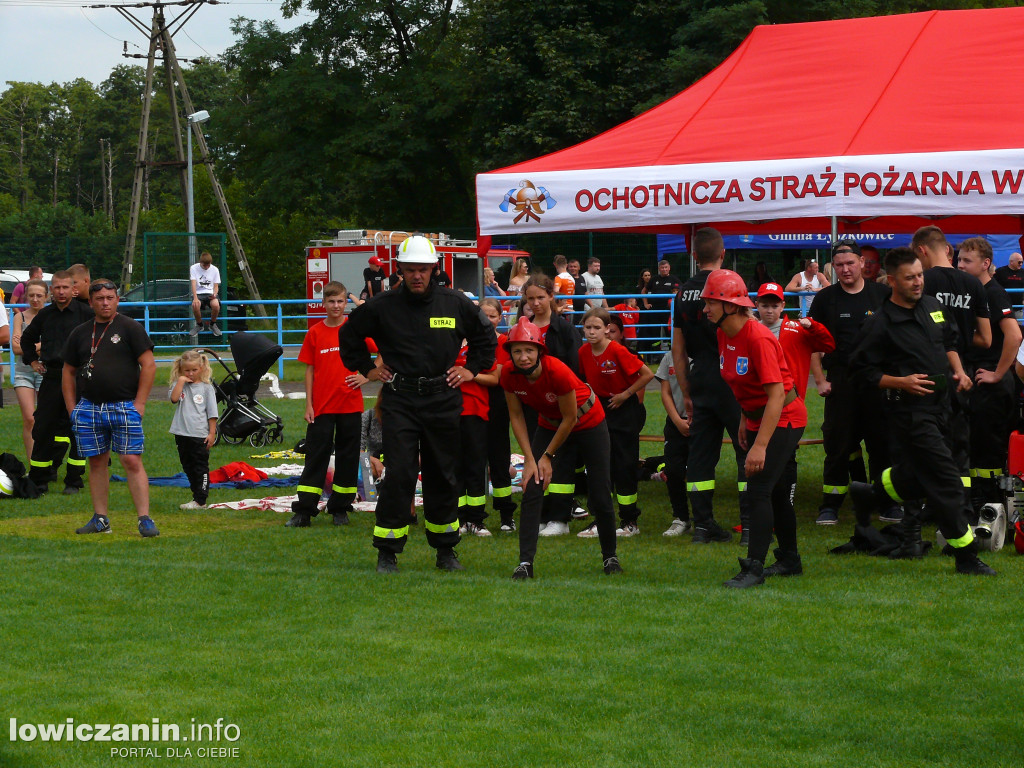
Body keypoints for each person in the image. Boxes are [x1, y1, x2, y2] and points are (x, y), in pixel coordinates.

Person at [340, 235, 496, 573]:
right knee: (401, 474)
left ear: (434, 269)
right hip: (400, 400)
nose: (417, 276)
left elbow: (486, 338)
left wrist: (470, 369)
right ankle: (388, 551)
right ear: (399, 270)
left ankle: (445, 550)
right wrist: (369, 369)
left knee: (442, 473)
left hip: (443, 398)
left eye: (423, 270)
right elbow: (349, 337)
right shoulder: (381, 307)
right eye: (410, 270)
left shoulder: (455, 303)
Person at [848, 247, 995, 576]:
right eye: (909, 278)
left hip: (944, 406)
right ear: (892, 281)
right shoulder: (880, 323)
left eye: (920, 275)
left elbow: (949, 341)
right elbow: (858, 372)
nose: (917, 282)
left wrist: (958, 371)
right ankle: (966, 557)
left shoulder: (932, 306)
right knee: (948, 481)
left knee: (922, 475)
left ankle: (871, 495)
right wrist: (899, 381)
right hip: (909, 414)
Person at [700, 269, 807, 588]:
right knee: (775, 495)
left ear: (731, 306)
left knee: (758, 489)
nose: (705, 308)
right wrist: (746, 419)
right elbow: (742, 385)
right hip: (761, 416)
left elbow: (776, 394)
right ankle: (789, 560)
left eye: (711, 302)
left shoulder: (758, 337)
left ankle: (754, 568)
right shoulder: (723, 333)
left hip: (785, 417)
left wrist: (760, 445)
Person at [501, 317, 621, 579]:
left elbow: (570, 419)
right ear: (510, 352)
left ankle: (610, 557)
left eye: (529, 350)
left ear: (539, 351)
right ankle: (525, 563)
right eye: (517, 350)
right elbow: (517, 416)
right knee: (532, 486)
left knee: (599, 491)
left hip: (587, 420)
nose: (523, 357)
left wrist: (546, 456)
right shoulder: (507, 373)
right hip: (550, 423)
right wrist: (531, 459)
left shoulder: (556, 370)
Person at [807, 239, 893, 525]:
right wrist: (819, 380)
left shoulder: (883, 294)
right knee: (838, 445)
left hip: (877, 381)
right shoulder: (825, 299)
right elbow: (812, 344)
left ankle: (886, 502)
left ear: (862, 264)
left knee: (881, 445)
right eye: (839, 265)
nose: (845, 270)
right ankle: (831, 504)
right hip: (841, 380)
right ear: (833, 267)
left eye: (850, 264)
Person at [672, 227, 750, 543]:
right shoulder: (731, 286)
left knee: (701, 455)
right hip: (732, 374)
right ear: (723, 254)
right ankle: (749, 525)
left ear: (693, 255)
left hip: (700, 377)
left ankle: (702, 526)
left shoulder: (680, 294)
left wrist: (687, 392)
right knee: (746, 448)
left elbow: (677, 350)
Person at [64, 279, 159, 537]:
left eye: (110, 297)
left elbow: (149, 366)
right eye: (99, 299)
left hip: (124, 405)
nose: (105, 302)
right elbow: (68, 370)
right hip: (89, 408)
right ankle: (100, 519)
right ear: (91, 302)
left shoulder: (130, 328)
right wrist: (73, 408)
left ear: (117, 299)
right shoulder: (80, 332)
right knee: (96, 462)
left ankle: (144, 519)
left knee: (131, 460)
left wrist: (139, 404)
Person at [753, 281, 834, 573]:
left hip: (788, 412)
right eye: (765, 304)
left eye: (775, 305)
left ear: (783, 306)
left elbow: (828, 345)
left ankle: (775, 554)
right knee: (768, 479)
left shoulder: (795, 330)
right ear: (757, 306)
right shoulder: (753, 331)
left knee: (773, 481)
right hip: (759, 412)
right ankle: (783, 553)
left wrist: (813, 325)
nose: (770, 309)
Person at [288, 281, 366, 528]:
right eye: (331, 301)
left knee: (348, 456)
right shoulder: (315, 332)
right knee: (315, 456)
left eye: (340, 301)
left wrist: (366, 376)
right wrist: (308, 404)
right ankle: (304, 510)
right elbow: (309, 371)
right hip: (321, 406)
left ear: (346, 303)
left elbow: (384, 351)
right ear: (323, 304)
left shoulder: (355, 329)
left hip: (350, 405)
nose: (336, 306)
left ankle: (340, 507)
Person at [956, 238, 1021, 511]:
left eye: (966, 261)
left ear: (985, 264)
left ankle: (990, 503)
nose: (960, 265)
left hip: (991, 380)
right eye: (958, 260)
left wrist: (998, 373)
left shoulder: (992, 293)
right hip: (977, 377)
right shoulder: (970, 291)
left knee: (987, 448)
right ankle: (974, 500)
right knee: (972, 444)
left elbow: (1014, 335)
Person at [577, 307, 653, 538]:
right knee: (601, 467)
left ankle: (630, 521)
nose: (591, 332)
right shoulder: (582, 352)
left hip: (623, 410)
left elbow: (647, 374)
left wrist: (625, 395)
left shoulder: (618, 351)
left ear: (607, 329)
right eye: (587, 327)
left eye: (596, 328)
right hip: (600, 410)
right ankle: (601, 519)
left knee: (624, 466)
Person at [20, 269, 91, 495]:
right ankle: (40, 478)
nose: (61, 292)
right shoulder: (45, 315)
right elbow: (27, 339)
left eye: (65, 287)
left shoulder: (86, 313)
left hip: (79, 379)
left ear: (74, 289)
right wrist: (32, 361)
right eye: (57, 287)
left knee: (78, 428)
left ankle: (74, 480)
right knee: (42, 428)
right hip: (51, 378)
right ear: (51, 290)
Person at [478, 298, 517, 531]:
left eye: (492, 316)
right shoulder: (468, 342)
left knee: (499, 461)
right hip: (471, 406)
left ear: (500, 318)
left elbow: (497, 377)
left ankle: (505, 515)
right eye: (483, 315)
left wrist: (468, 374)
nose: (487, 320)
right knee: (472, 462)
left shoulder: (503, 343)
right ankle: (472, 517)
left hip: (497, 406)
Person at [168, 349, 218, 510]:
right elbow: (174, 399)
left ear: (201, 369)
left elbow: (212, 413)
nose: (190, 373)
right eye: (186, 370)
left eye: (194, 370)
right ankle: (195, 496)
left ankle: (201, 500)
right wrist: (181, 381)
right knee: (188, 466)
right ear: (181, 370)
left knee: (200, 467)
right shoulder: (179, 385)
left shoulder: (206, 388)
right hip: (182, 433)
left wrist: (212, 433)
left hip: (200, 435)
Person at [654, 351, 691, 536]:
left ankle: (703, 519)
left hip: (703, 423)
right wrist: (677, 421)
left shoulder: (708, 354)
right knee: (674, 470)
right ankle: (680, 518)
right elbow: (666, 393)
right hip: (676, 422)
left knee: (700, 473)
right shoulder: (669, 357)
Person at [11, 279, 46, 460]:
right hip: (23, 371)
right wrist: (41, 345)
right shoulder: (20, 317)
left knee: (45, 420)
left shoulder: (50, 316)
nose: (34, 299)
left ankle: (46, 461)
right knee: (30, 419)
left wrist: (29, 345)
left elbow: (57, 345)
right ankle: (33, 463)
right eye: (31, 295)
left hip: (44, 371)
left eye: (39, 295)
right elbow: (16, 349)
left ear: (46, 297)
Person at [647, 259, 681, 348]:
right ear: (659, 268)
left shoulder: (674, 279)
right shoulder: (654, 279)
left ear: (669, 268)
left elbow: (680, 292)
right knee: (654, 330)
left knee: (669, 330)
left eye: (666, 267)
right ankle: (655, 354)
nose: (664, 269)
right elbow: (644, 290)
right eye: (662, 268)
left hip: (668, 309)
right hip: (655, 309)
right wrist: (646, 303)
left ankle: (671, 351)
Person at [189, 251, 222, 337]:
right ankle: (199, 325)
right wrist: (195, 298)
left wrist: (215, 294)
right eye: (204, 265)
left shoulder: (215, 270)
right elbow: (193, 283)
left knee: (216, 305)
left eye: (209, 265)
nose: (207, 267)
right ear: (200, 262)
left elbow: (216, 286)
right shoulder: (193, 268)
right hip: (199, 293)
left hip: (210, 293)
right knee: (195, 305)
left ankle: (213, 324)